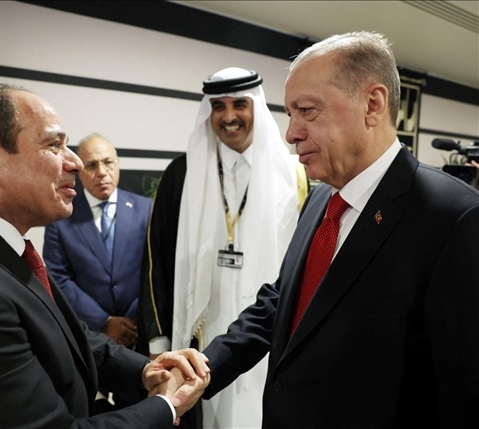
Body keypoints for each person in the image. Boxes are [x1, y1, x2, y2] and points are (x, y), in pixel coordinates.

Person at [0, 82, 210, 429]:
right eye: (54, 145)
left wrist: (146, 369)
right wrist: (166, 406)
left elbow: (57, 330)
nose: (75, 162)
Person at [201, 31, 479, 428]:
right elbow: (285, 302)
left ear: (372, 105)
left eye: (307, 111)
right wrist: (206, 367)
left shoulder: (453, 217)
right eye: (290, 114)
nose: (291, 133)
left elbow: (463, 391)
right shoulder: (320, 199)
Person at [138, 67, 300, 429]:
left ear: (256, 107)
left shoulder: (293, 176)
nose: (228, 117)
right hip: (198, 342)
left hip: (267, 338)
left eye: (239, 104)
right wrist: (159, 341)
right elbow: (154, 262)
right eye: (218, 106)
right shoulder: (181, 175)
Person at [43, 132, 152, 413]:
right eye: (91, 165)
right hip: (88, 338)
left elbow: (154, 271)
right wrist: (104, 322)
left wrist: (132, 319)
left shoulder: (146, 209)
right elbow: (58, 278)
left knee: (139, 412)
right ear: (79, 170)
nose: (102, 172)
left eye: (108, 162)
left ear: (118, 164)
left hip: (140, 333)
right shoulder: (62, 215)